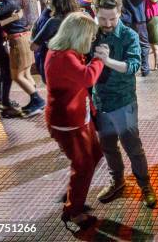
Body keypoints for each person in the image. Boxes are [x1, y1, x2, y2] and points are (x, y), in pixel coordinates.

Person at [91, 0, 156, 208]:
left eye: (112, 18)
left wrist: (107, 61)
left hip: (123, 101)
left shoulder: (128, 35)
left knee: (133, 147)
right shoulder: (90, 34)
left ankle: (145, 185)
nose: (108, 24)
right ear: (95, 14)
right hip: (100, 101)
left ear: (119, 14)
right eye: (102, 19)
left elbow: (133, 67)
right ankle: (117, 181)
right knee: (108, 146)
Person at [44, 12, 105, 231]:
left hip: (80, 117)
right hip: (69, 122)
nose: (92, 40)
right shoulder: (64, 56)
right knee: (83, 165)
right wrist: (99, 59)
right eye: (90, 36)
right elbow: (88, 78)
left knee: (94, 155)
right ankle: (73, 211)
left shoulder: (65, 51)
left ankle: (74, 196)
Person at [30, 0, 78, 83]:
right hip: (74, 65)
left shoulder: (54, 21)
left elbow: (33, 46)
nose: (47, 1)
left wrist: (34, 30)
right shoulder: (79, 16)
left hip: (54, 64)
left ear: (56, 2)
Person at [116, 0, 151, 77]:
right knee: (144, 43)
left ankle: (131, 67)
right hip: (140, 18)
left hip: (126, 19)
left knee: (127, 44)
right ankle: (145, 68)